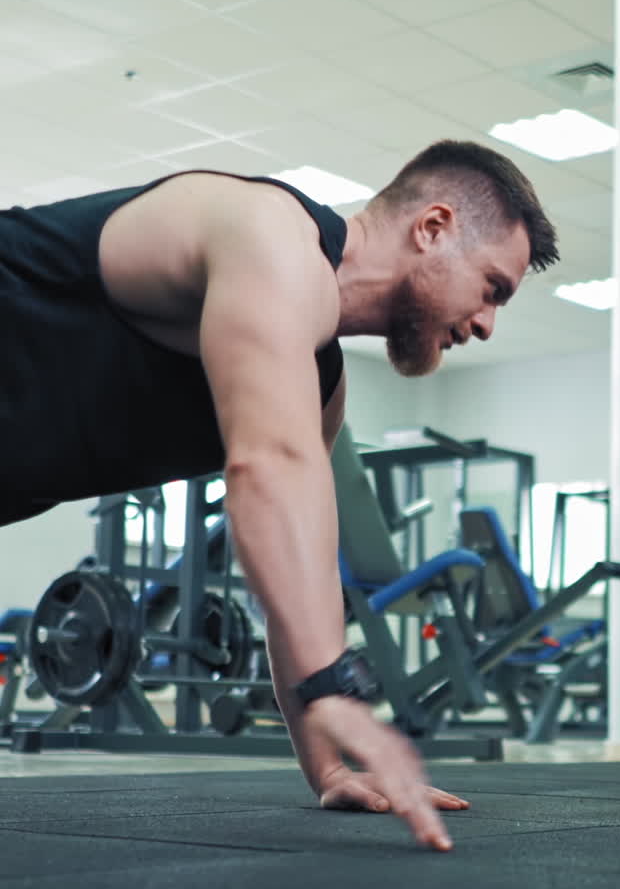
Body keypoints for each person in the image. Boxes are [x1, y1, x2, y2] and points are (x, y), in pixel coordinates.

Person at [0, 142, 559, 851]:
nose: (486, 324)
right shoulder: (268, 232)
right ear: (433, 227)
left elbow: (304, 565)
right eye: (493, 287)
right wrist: (337, 691)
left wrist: (327, 767)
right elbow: (265, 470)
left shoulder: (320, 387)